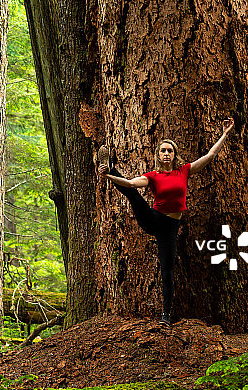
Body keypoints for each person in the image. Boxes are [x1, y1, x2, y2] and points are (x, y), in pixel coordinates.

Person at [97, 118, 235, 327]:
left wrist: (224, 134)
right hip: (153, 219)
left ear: (174, 154)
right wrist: (109, 175)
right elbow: (131, 183)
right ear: (158, 156)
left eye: (169, 150)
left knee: (167, 270)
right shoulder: (153, 176)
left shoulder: (184, 171)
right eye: (163, 151)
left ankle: (166, 315)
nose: (166, 154)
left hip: (170, 227)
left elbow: (210, 155)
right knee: (134, 195)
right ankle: (111, 167)